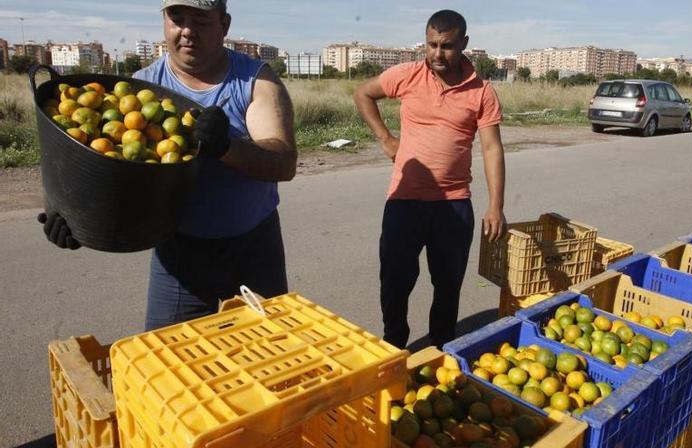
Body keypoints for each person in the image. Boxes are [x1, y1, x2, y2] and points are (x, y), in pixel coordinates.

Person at [38, 0, 297, 329]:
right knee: (169, 364)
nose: (187, 30)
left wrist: (225, 147)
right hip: (179, 254)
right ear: (165, 22)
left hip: (253, 248)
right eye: (177, 18)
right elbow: (111, 170)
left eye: (201, 20)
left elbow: (283, 161)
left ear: (225, 25)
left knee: (268, 359)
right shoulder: (140, 88)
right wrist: (76, 218)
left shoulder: (256, 80)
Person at [353, 9, 507, 349]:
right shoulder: (407, 75)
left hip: (453, 205)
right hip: (404, 202)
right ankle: (394, 345)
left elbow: (493, 149)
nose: (438, 54)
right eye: (432, 44)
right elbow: (363, 93)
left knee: (448, 284)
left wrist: (496, 206)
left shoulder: (481, 91)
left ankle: (440, 348)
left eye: (447, 46)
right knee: (394, 281)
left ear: (464, 44)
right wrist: (386, 139)